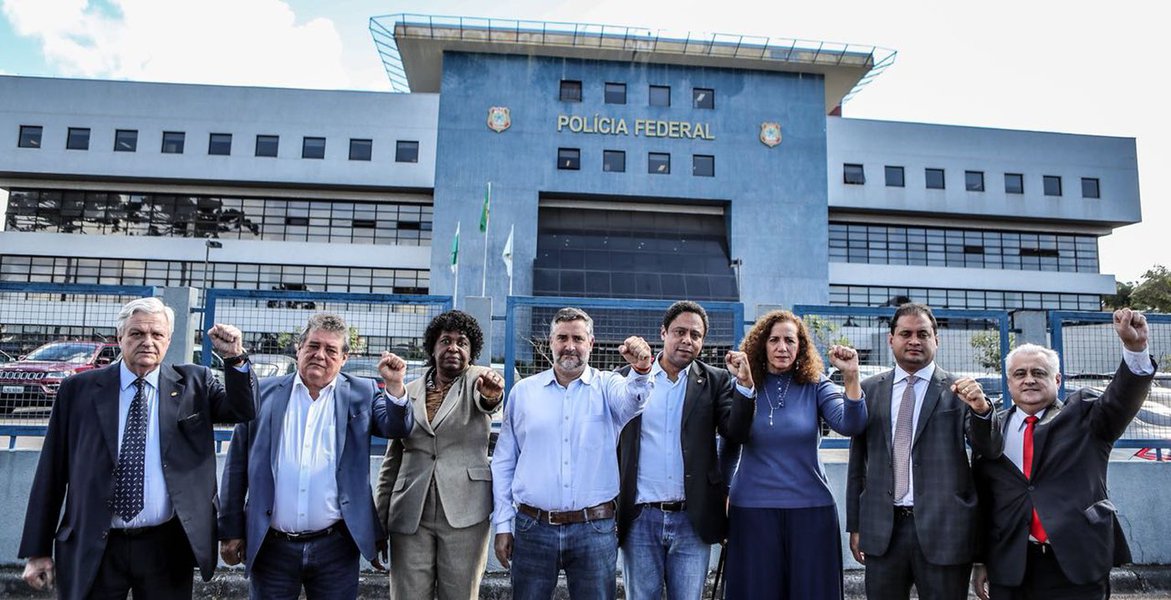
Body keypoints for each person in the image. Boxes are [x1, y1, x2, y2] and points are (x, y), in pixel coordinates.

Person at [19, 297, 257, 599]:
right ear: (120, 337)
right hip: (95, 543)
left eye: (157, 334)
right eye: (136, 333)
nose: (147, 341)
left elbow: (244, 410)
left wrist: (235, 358)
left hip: (166, 546)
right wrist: (37, 551)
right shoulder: (78, 390)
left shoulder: (195, 384)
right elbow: (51, 473)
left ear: (169, 340)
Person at [217, 312, 414, 599]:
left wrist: (395, 386)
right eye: (313, 346)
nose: (320, 355)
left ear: (344, 358)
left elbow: (397, 427)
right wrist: (230, 529)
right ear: (298, 349)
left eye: (331, 350)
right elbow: (236, 467)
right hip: (271, 547)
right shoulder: (263, 393)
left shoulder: (362, 392)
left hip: (335, 546)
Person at [971, 308, 1154, 600]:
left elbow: (1121, 398)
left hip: (1076, 562)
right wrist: (980, 560)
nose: (1028, 379)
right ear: (1009, 383)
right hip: (1011, 565)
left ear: (1057, 380)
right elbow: (984, 497)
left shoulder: (1085, 415)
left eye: (1038, 373)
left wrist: (1135, 349)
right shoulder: (992, 429)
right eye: (1020, 374)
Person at [491, 307, 654, 600]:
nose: (570, 346)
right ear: (549, 342)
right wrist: (503, 524)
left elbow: (633, 401)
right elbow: (504, 461)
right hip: (532, 527)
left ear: (591, 343)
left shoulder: (608, 386)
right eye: (562, 337)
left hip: (594, 529)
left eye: (578, 338)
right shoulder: (524, 392)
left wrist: (640, 371)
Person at [845, 302, 996, 600]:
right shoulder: (869, 390)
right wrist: (856, 524)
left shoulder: (960, 390)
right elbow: (857, 464)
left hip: (945, 530)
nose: (914, 341)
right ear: (891, 339)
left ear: (936, 340)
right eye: (906, 333)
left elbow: (988, 449)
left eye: (923, 334)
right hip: (883, 529)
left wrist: (981, 410)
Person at [721, 309, 868, 599]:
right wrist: (723, 494)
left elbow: (851, 424)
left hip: (811, 512)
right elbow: (728, 443)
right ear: (761, 344)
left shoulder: (816, 385)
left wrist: (851, 377)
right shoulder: (743, 383)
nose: (782, 347)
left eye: (790, 340)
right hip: (752, 511)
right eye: (774, 340)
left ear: (800, 346)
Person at [616, 301, 754, 600]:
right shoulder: (629, 377)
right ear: (663, 333)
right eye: (679, 332)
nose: (687, 340)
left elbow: (737, 431)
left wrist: (744, 385)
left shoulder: (716, 380)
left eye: (695, 334)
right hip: (640, 517)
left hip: (693, 519)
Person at [373, 310, 505, 600]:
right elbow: (392, 460)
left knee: (459, 594)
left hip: (464, 513)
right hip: (410, 513)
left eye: (462, 342)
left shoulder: (478, 380)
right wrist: (379, 521)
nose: (453, 347)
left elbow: (489, 402)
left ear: (472, 353)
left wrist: (492, 395)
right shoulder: (407, 391)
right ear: (432, 348)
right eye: (445, 341)